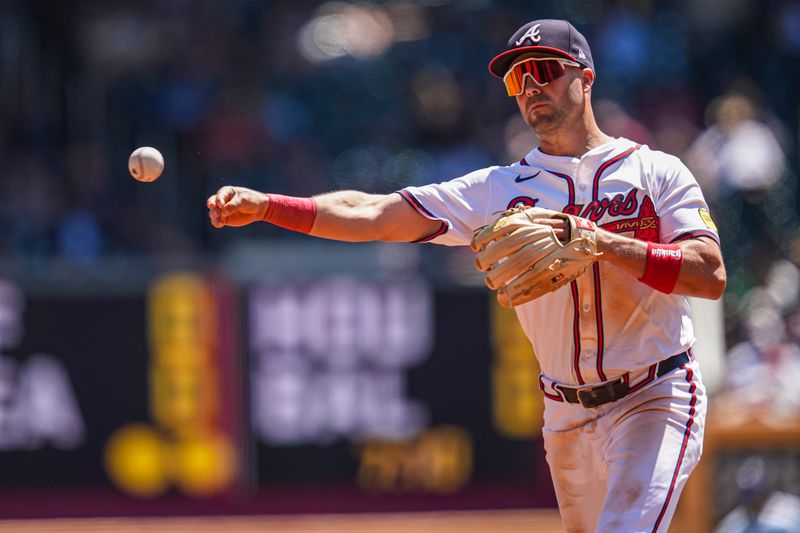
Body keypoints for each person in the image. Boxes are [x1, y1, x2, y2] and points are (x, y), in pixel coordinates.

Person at [207, 18, 726, 532]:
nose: (530, 88)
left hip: (654, 394)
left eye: (544, 70)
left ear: (585, 78)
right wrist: (271, 206)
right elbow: (375, 213)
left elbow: (709, 274)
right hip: (565, 412)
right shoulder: (499, 189)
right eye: (516, 80)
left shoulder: (656, 172)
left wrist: (604, 243)